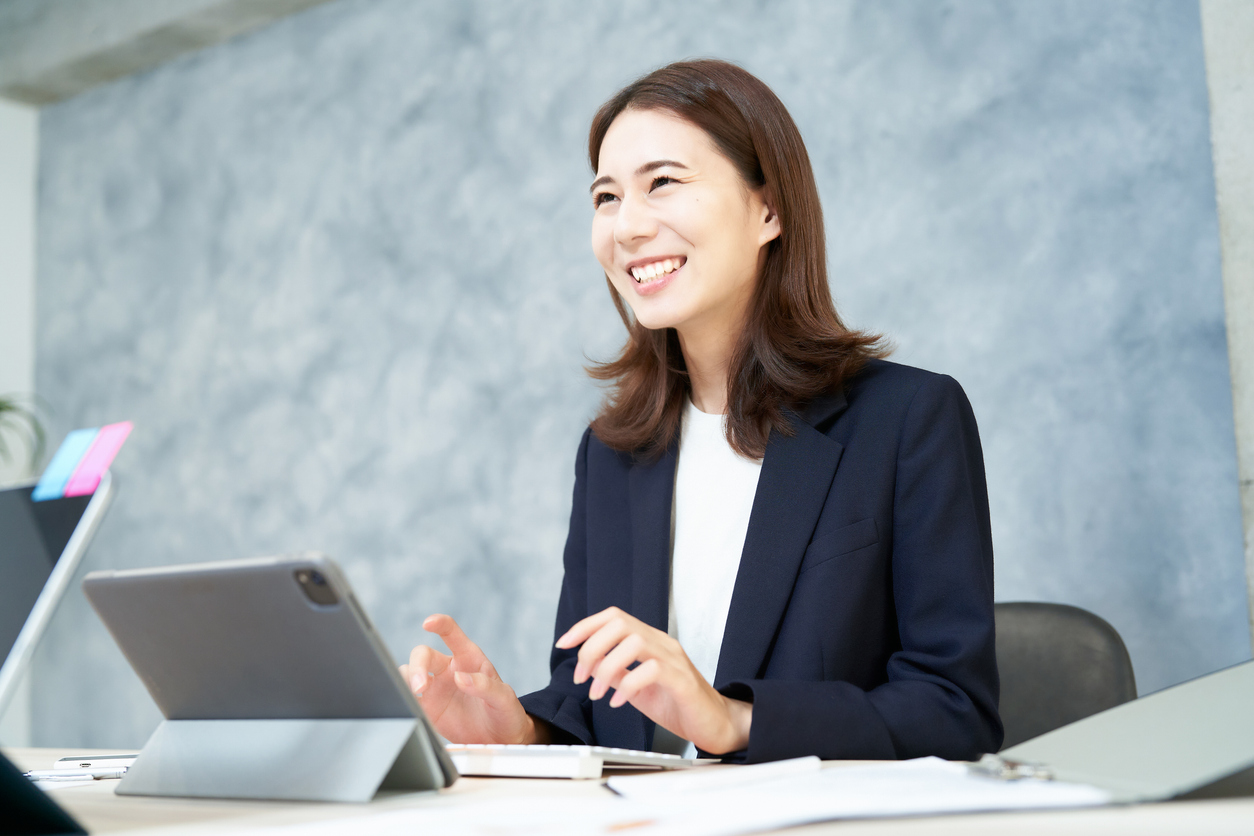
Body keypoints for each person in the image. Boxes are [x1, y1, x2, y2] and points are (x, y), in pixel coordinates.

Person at [401, 59, 1003, 762]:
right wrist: (523, 731)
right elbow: (596, 706)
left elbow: (956, 712)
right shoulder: (612, 454)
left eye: (662, 183)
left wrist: (735, 720)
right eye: (605, 197)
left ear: (769, 210)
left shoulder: (908, 420)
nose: (627, 228)